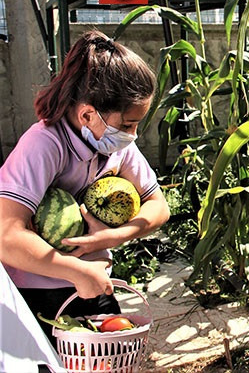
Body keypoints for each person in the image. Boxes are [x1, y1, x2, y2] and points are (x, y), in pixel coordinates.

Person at [0, 30, 170, 343]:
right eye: (128, 125)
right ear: (88, 114)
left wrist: (111, 236)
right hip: (38, 291)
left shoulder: (115, 145)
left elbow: (158, 206)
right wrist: (74, 271)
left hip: (94, 279)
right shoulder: (43, 146)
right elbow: (7, 236)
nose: (133, 135)